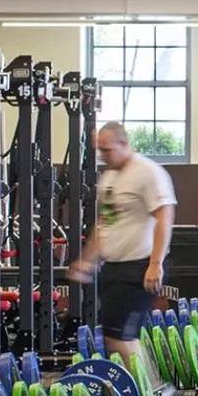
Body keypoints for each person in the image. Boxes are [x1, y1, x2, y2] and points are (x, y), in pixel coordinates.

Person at [66, 120, 177, 361]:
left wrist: (155, 264)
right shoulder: (109, 178)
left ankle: (144, 393)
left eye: (107, 150)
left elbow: (164, 218)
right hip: (115, 267)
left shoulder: (148, 172)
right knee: (115, 336)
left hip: (140, 266)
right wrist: (87, 260)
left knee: (119, 336)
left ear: (124, 144)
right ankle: (149, 390)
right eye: (100, 151)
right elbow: (106, 223)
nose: (103, 156)